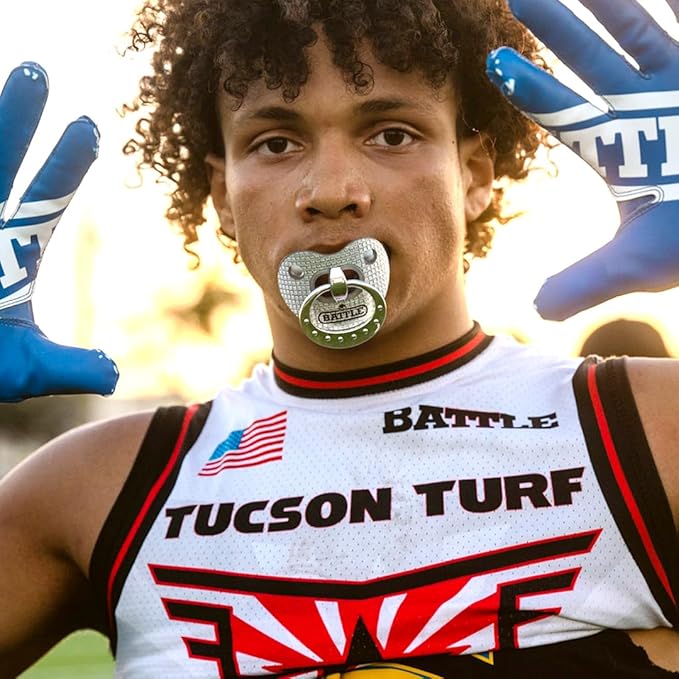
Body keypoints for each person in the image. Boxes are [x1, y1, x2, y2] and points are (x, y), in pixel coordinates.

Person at [1, 0, 679, 677]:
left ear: (472, 175)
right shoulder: (96, 489)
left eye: (391, 134)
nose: (330, 191)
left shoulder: (648, 429)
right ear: (223, 194)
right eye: (275, 143)